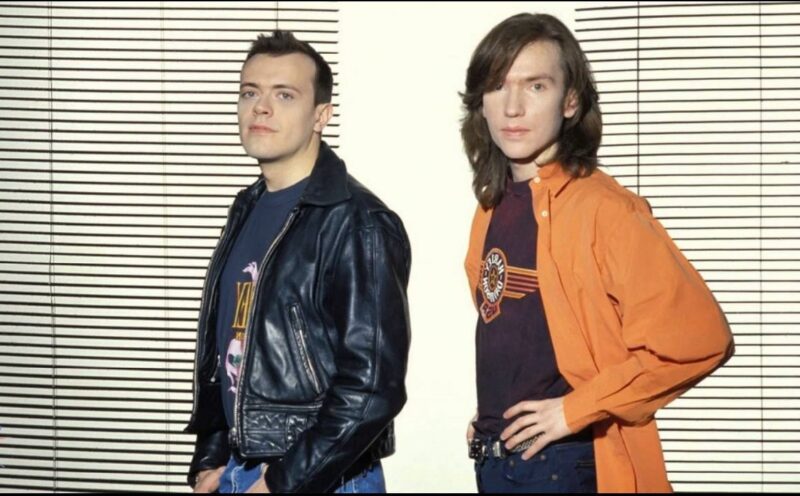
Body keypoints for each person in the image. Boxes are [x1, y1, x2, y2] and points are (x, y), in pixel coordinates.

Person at [460, 13, 734, 493]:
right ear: (480, 101)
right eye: (498, 86)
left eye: (536, 86)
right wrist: (492, 417)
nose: (513, 106)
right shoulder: (491, 207)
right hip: (496, 462)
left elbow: (701, 340)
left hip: (565, 465)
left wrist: (573, 410)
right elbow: (523, 334)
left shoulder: (606, 210)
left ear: (570, 101)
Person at [184, 30, 412, 493]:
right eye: (250, 93)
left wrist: (284, 481)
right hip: (244, 472)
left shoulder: (358, 222)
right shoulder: (247, 208)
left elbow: (372, 386)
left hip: (320, 480)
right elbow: (229, 346)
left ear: (321, 115)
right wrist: (212, 456)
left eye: (284, 95)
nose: (261, 108)